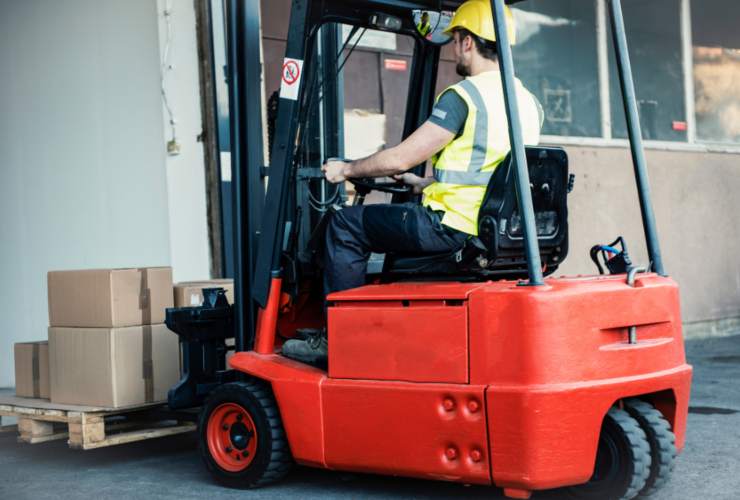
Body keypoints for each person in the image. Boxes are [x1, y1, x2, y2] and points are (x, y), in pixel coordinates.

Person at [282, 0, 543, 366]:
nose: (455, 50)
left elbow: (400, 156)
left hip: (451, 226)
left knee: (343, 225)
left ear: (468, 42)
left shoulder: (464, 97)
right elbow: (494, 171)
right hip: (499, 228)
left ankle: (341, 340)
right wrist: (422, 183)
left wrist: (347, 169)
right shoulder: (528, 101)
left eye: (455, 41)